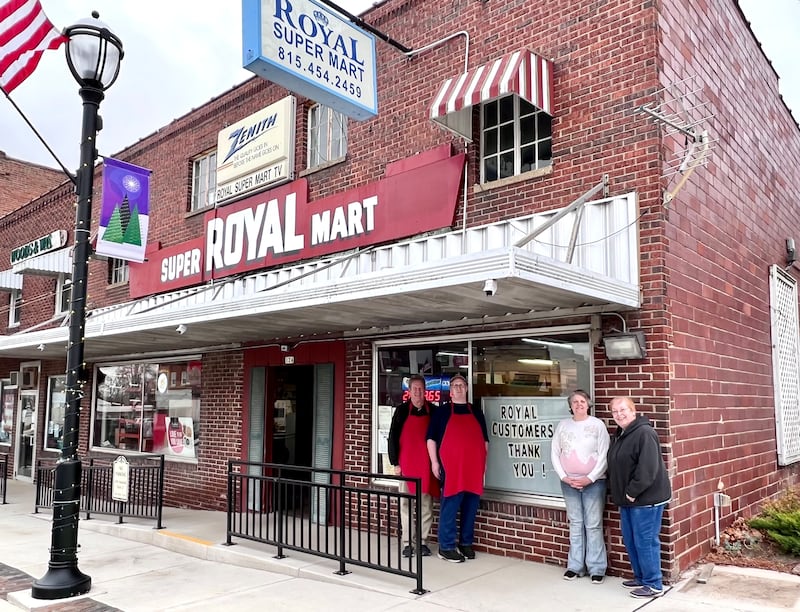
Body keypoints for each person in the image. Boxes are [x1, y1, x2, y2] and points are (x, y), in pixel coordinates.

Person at [607, 396, 672, 599]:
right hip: (627, 500)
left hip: (645, 500)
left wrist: (632, 492)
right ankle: (641, 577)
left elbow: (648, 468)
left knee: (645, 541)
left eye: (623, 410)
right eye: (615, 411)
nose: (619, 414)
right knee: (631, 540)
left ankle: (654, 584)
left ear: (633, 411)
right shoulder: (621, 434)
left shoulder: (644, 433)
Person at [426, 374, 489, 563]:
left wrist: (484, 464)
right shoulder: (442, 412)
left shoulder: (476, 412)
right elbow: (431, 439)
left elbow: (485, 441)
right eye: (455, 385)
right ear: (450, 390)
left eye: (462, 385)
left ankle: (465, 543)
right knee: (450, 507)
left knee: (471, 507)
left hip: (474, 468)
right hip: (451, 468)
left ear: (467, 388)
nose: (459, 388)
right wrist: (434, 462)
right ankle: (446, 547)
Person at [551, 390, 610, 584]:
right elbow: (555, 452)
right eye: (575, 402)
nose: (579, 404)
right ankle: (575, 566)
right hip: (569, 483)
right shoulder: (563, 425)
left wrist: (590, 478)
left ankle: (597, 568)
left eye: (582, 401)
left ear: (588, 404)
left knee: (593, 525)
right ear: (570, 406)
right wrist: (564, 477)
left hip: (594, 483)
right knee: (575, 523)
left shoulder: (597, 425)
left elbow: (604, 455)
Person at [387, 374, 439, 558]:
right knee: (406, 505)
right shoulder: (401, 411)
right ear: (409, 391)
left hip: (426, 466)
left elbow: (439, 438)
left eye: (420, 388)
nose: (417, 392)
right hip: (406, 466)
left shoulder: (433, 411)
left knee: (426, 505)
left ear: (425, 390)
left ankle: (422, 542)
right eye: (414, 388)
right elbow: (392, 437)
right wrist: (395, 463)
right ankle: (408, 543)